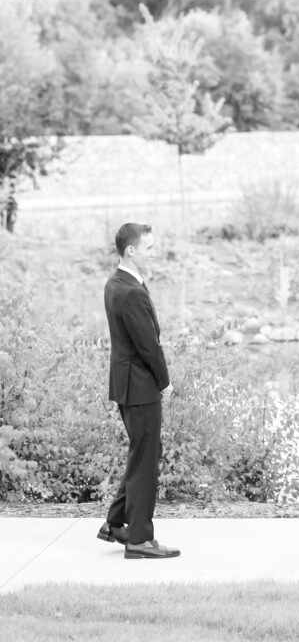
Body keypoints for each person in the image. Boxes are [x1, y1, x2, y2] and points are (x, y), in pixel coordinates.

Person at [97, 222, 180, 559]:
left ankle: (115, 523)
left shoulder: (115, 283)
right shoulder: (130, 291)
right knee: (146, 460)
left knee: (140, 453)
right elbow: (149, 346)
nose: (154, 253)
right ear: (131, 250)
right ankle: (140, 539)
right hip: (141, 385)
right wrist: (165, 381)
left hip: (127, 383)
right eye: (149, 248)